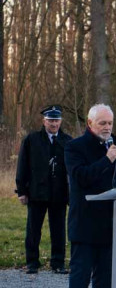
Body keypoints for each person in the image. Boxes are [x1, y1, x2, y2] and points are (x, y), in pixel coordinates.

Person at [64, 104, 116, 288]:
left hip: (110, 218)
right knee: (81, 270)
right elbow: (80, 177)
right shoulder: (74, 147)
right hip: (84, 218)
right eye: (102, 123)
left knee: (105, 271)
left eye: (110, 123)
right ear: (90, 124)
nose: (107, 127)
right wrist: (106, 160)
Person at [16, 104, 71, 275]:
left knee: (59, 229)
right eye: (50, 120)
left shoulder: (67, 141)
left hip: (59, 193)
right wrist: (22, 191)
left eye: (56, 120)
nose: (54, 124)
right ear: (44, 121)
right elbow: (22, 166)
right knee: (33, 229)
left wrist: (72, 193)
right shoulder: (32, 140)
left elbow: (72, 169)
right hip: (36, 192)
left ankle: (58, 262)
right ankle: (32, 262)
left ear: (60, 121)